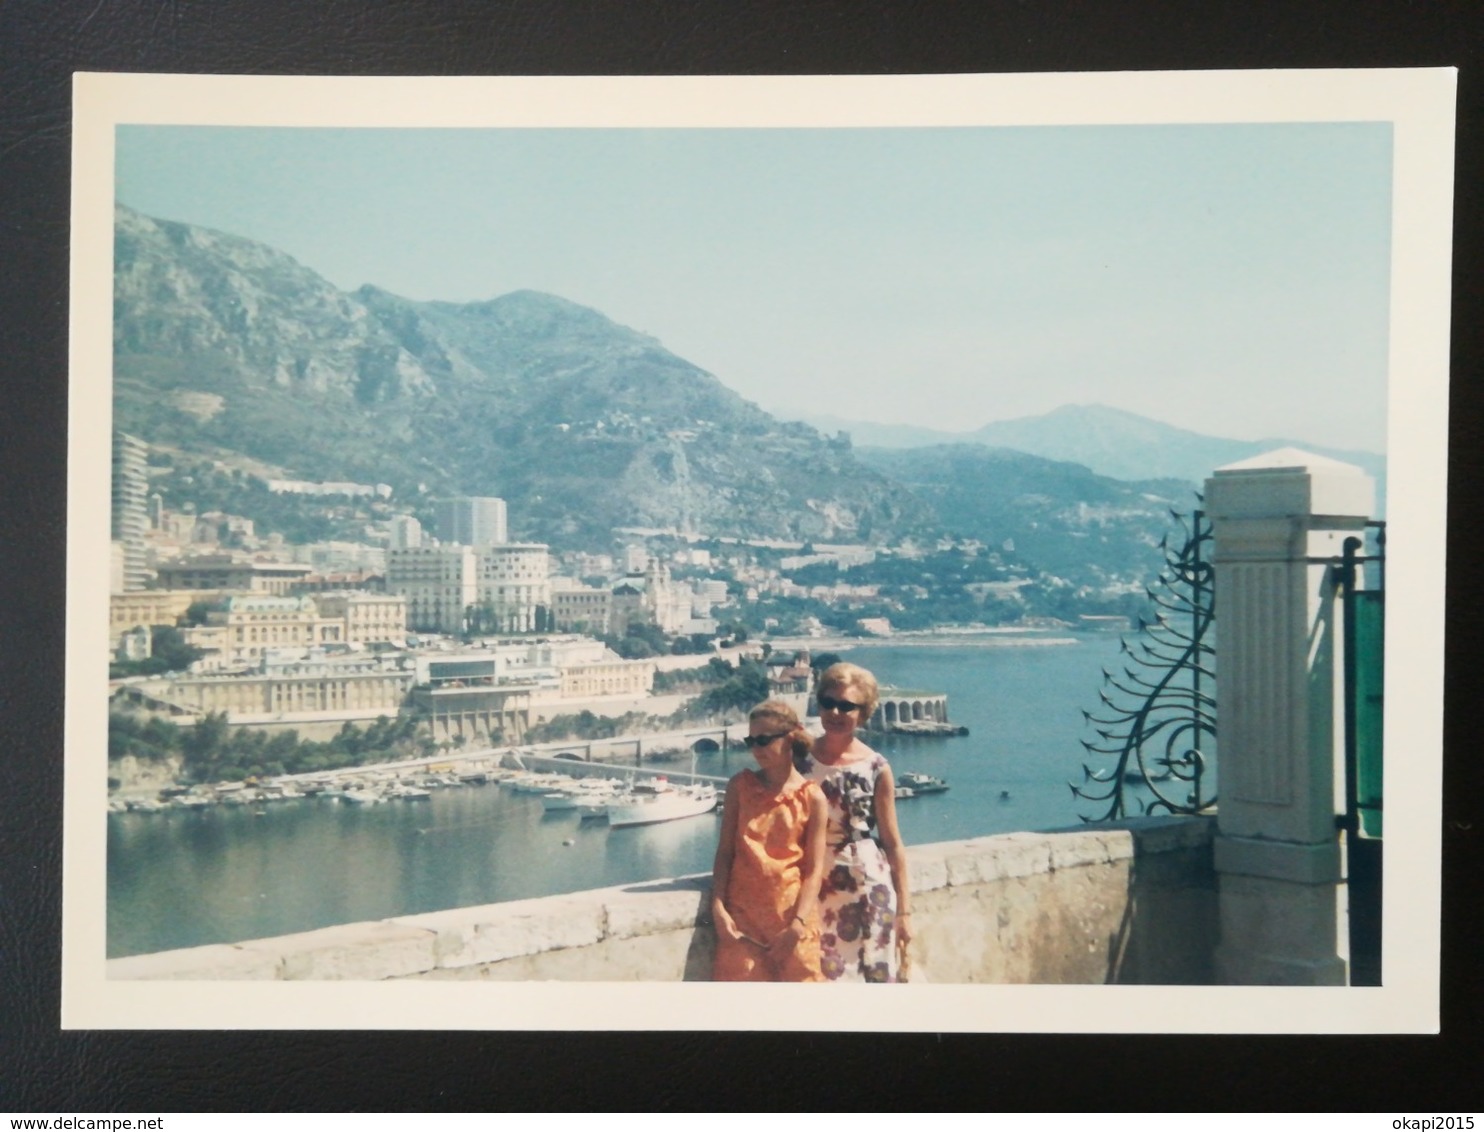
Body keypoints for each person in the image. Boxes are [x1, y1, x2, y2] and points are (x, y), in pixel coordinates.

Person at [797, 661, 911, 982]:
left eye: (846, 706)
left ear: (864, 712)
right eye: (828, 703)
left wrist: (904, 911)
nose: (835, 713)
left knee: (872, 976)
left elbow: (892, 843)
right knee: (820, 977)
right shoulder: (798, 760)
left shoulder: (876, 767)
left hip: (868, 888)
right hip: (814, 887)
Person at [711, 700, 828, 982]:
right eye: (751, 740)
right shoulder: (739, 787)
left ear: (790, 739)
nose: (755, 749)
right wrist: (717, 907)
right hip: (742, 924)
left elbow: (813, 871)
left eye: (763, 740)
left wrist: (797, 926)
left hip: (791, 923)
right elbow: (725, 853)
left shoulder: (813, 798)